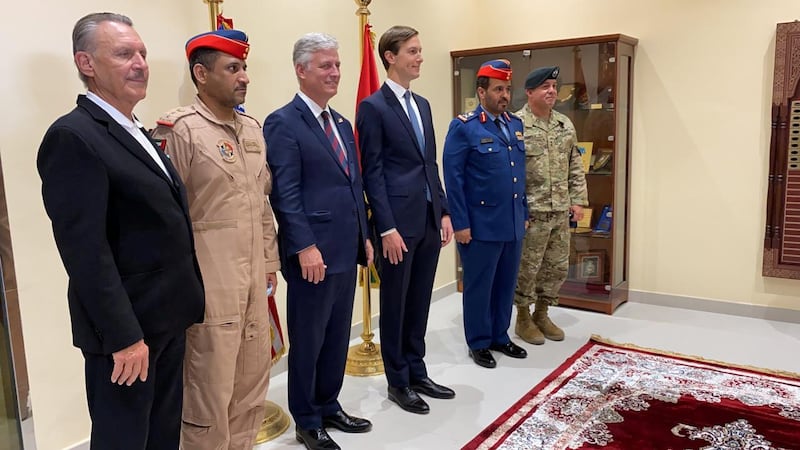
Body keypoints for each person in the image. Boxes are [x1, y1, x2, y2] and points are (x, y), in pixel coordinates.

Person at [37, 12, 204, 449]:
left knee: (162, 435)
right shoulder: (74, 137)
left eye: (143, 53)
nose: (140, 63)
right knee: (125, 440)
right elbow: (85, 251)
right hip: (129, 333)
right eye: (124, 53)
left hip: (165, 318)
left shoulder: (134, 128)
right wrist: (124, 337)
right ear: (87, 63)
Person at [150, 29, 279, 449]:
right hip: (208, 286)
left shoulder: (252, 129)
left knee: (250, 387)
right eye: (233, 68)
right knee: (208, 394)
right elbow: (164, 219)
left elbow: (261, 205)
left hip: (254, 283)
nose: (244, 77)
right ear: (201, 74)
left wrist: (270, 262)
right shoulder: (180, 130)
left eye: (245, 68)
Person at [264, 32, 374, 450]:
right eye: (325, 65)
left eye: (338, 65)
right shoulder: (283, 122)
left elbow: (353, 184)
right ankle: (307, 420)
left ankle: (329, 404)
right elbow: (285, 194)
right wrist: (303, 246)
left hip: (346, 249)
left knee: (336, 334)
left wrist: (364, 236)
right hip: (313, 254)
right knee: (309, 338)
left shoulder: (341, 123)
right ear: (301, 70)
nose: (335, 73)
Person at [356, 25, 454, 415]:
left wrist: (444, 209)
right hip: (397, 225)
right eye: (412, 51)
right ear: (390, 57)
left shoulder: (423, 105)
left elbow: (429, 164)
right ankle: (398, 380)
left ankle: (417, 369)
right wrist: (387, 228)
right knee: (395, 304)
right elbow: (372, 172)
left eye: (420, 50)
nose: (420, 57)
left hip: (428, 219)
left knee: (419, 301)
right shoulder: (373, 107)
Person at [443, 59, 529, 369]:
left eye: (507, 89)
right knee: (480, 286)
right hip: (479, 226)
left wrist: (525, 212)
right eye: (498, 89)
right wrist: (460, 223)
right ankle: (478, 341)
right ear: (482, 92)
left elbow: (520, 174)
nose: (504, 95)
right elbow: (453, 179)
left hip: (512, 222)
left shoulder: (515, 125)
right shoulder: (465, 127)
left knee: (506, 283)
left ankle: (499, 335)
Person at [513, 67, 588, 345]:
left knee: (556, 267)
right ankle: (523, 317)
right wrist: (519, 210)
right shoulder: (515, 124)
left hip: (559, 211)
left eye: (554, 86)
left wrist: (578, 200)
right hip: (532, 212)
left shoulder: (564, 124)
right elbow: (512, 173)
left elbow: (575, 164)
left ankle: (542, 313)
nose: (552, 91)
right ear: (530, 92)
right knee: (528, 268)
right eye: (545, 86)